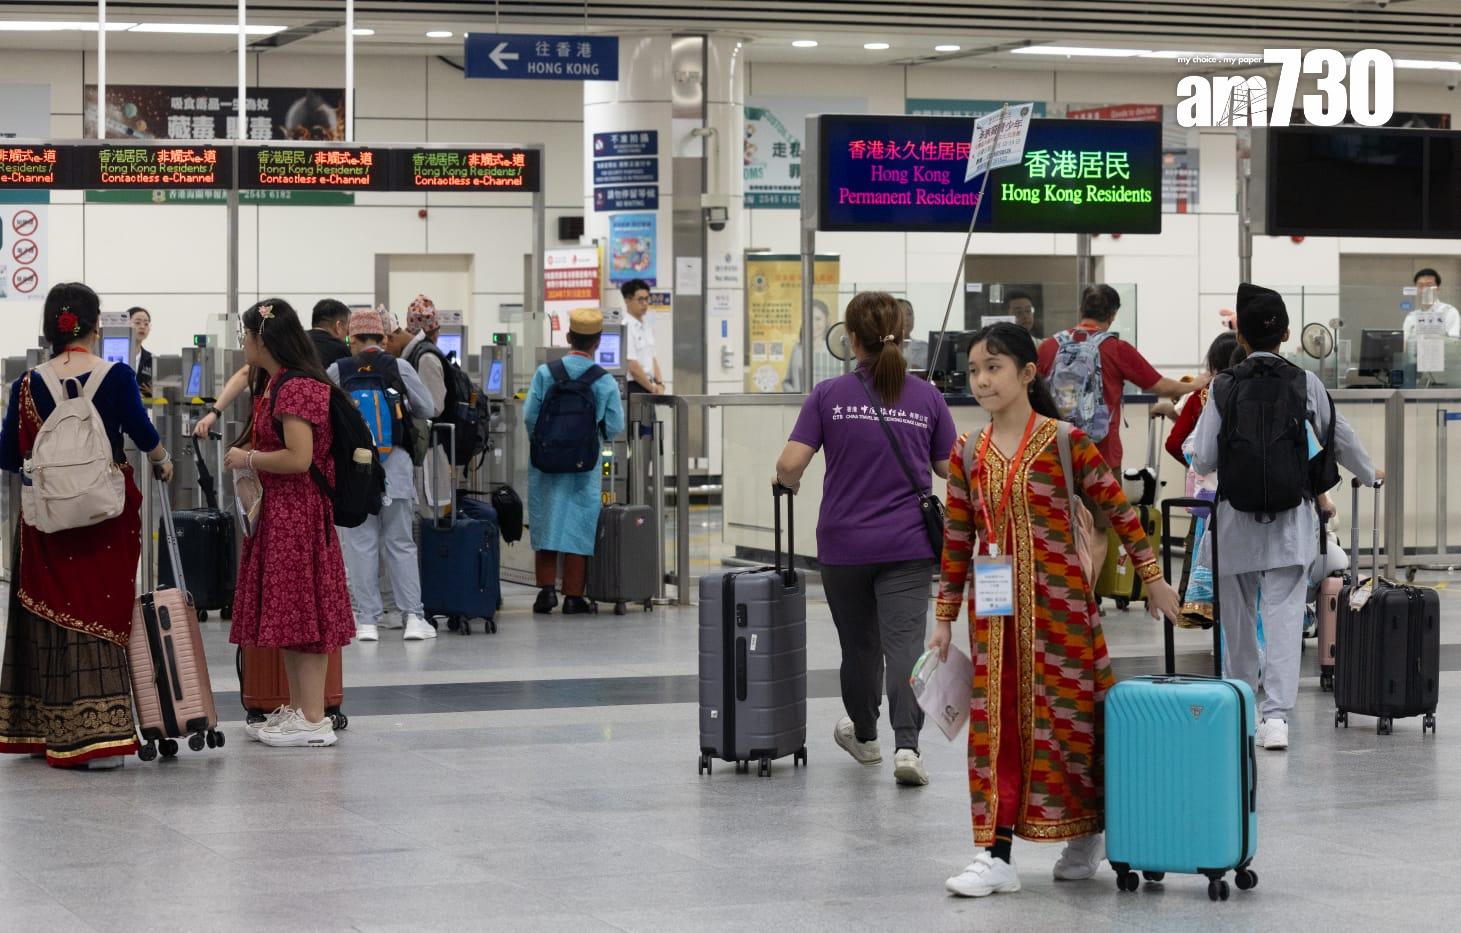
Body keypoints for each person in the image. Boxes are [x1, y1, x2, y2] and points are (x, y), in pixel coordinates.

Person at [931, 322, 1182, 898]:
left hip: (1062, 614)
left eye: (993, 367)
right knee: (997, 730)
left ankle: (1086, 831)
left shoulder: (1067, 441)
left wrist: (1153, 580)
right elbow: (956, 538)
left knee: (1073, 725)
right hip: (993, 617)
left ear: (1026, 374)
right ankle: (994, 851)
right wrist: (944, 617)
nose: (982, 380)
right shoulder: (967, 451)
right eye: (974, 370)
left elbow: (1120, 512)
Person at [774, 291, 956, 787]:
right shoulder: (929, 398)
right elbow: (950, 469)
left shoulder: (829, 395)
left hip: (844, 545)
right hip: (908, 546)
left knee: (858, 648)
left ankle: (867, 737)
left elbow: (790, 465)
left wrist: (786, 482)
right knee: (905, 648)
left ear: (852, 340)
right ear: (905, 335)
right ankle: (908, 748)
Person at [1191, 283, 1379, 752]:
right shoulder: (1305, 382)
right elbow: (1339, 437)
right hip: (1292, 522)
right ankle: (1276, 719)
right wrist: (1370, 475)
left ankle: (1241, 707)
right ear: (1288, 333)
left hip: (1235, 522)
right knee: (1282, 616)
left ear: (1242, 339)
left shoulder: (1224, 386)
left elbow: (1204, 458)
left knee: (1237, 622)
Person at [1, 282, 174, 768]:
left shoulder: (27, 384)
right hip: (105, 518)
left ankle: (43, 729)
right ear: (97, 328)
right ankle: (102, 742)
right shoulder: (116, 376)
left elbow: (8, 456)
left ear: (49, 330)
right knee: (100, 612)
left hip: (48, 521)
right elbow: (145, 437)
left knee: (46, 609)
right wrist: (163, 461)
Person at [222, 299, 354, 748]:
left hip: (297, 515)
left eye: (246, 336)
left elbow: (299, 458)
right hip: (283, 513)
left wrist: (248, 458)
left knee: (304, 614)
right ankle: (301, 710)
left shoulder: (295, 387)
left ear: (263, 339)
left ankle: (314, 718)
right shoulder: (279, 382)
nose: (244, 344)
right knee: (293, 615)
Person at [327, 308, 437, 642]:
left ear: (352, 339)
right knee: (400, 543)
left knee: (361, 545)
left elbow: (324, 414)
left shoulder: (337, 370)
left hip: (355, 471)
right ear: (383, 337)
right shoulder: (399, 366)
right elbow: (428, 409)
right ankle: (414, 619)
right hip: (396, 471)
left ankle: (367, 622)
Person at [1037, 284, 1207, 474]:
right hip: (1103, 456)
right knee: (1107, 505)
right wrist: (1193, 384)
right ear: (1113, 315)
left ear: (1081, 310)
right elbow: (1159, 386)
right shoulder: (1116, 348)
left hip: (1057, 453)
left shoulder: (1048, 346)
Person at [525, 308, 625, 615]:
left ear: (569, 338)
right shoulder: (604, 381)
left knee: (546, 523)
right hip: (584, 465)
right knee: (578, 528)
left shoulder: (546, 373)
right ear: (597, 342)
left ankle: (544, 593)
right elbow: (614, 426)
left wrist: (546, 443)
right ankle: (572, 596)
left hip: (545, 463)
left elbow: (529, 416)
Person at [782, 298, 842, 392]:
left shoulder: (834, 350)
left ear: (826, 321)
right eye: (809, 319)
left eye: (818, 319)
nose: (813, 324)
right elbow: (787, 382)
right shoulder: (797, 349)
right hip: (800, 404)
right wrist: (795, 395)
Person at [622, 279, 664, 396]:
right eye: (640, 299)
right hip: (634, 387)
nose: (645, 303)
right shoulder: (626, 326)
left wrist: (659, 383)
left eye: (646, 299)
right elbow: (632, 366)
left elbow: (653, 358)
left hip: (649, 386)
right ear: (627, 300)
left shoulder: (646, 326)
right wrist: (652, 388)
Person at [1403, 267, 1461, 341]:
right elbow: (1404, 342)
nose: (1425, 289)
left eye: (1429, 285)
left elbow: (1454, 341)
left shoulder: (1449, 312)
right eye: (1420, 285)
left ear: (1438, 288)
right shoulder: (1411, 316)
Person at [309, 298, 352, 368]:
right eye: (348, 325)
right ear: (339, 326)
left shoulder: (297, 342)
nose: (348, 332)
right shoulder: (341, 350)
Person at [128, 306, 154, 396]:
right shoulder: (114, 355)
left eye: (146, 324)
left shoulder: (152, 359)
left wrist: (155, 393)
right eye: (137, 323)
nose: (142, 327)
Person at [898, 298, 929, 370]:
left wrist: (922, 374)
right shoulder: (881, 349)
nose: (906, 318)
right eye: (901, 314)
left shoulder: (925, 348)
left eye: (909, 314)